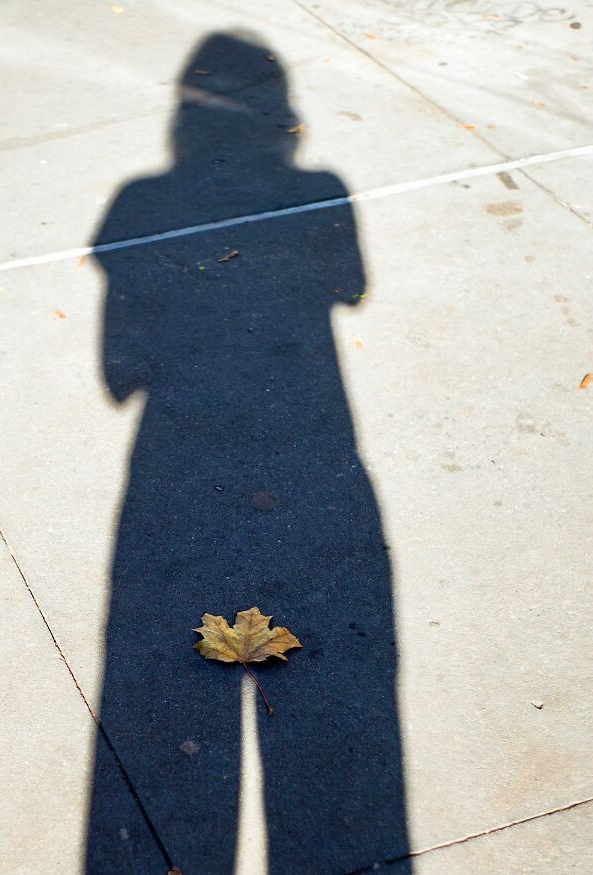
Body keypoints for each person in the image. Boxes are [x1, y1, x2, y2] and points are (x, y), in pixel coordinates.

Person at [86, 31, 410, 874]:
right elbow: (350, 283)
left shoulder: (137, 203)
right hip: (316, 462)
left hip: (173, 469)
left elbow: (122, 371)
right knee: (339, 745)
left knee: (155, 716)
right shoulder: (321, 190)